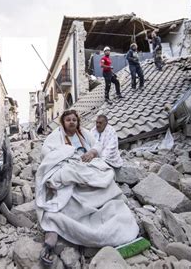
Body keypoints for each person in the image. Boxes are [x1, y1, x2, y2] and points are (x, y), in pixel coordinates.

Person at [36, 110, 139, 266]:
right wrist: (65, 154)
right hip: (69, 164)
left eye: (74, 120)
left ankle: (107, 214)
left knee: (105, 174)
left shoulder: (83, 134)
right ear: (63, 122)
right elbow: (46, 152)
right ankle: (61, 226)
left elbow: (97, 145)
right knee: (65, 179)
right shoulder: (55, 136)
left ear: (78, 122)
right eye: (68, 120)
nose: (71, 122)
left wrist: (92, 152)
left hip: (87, 164)